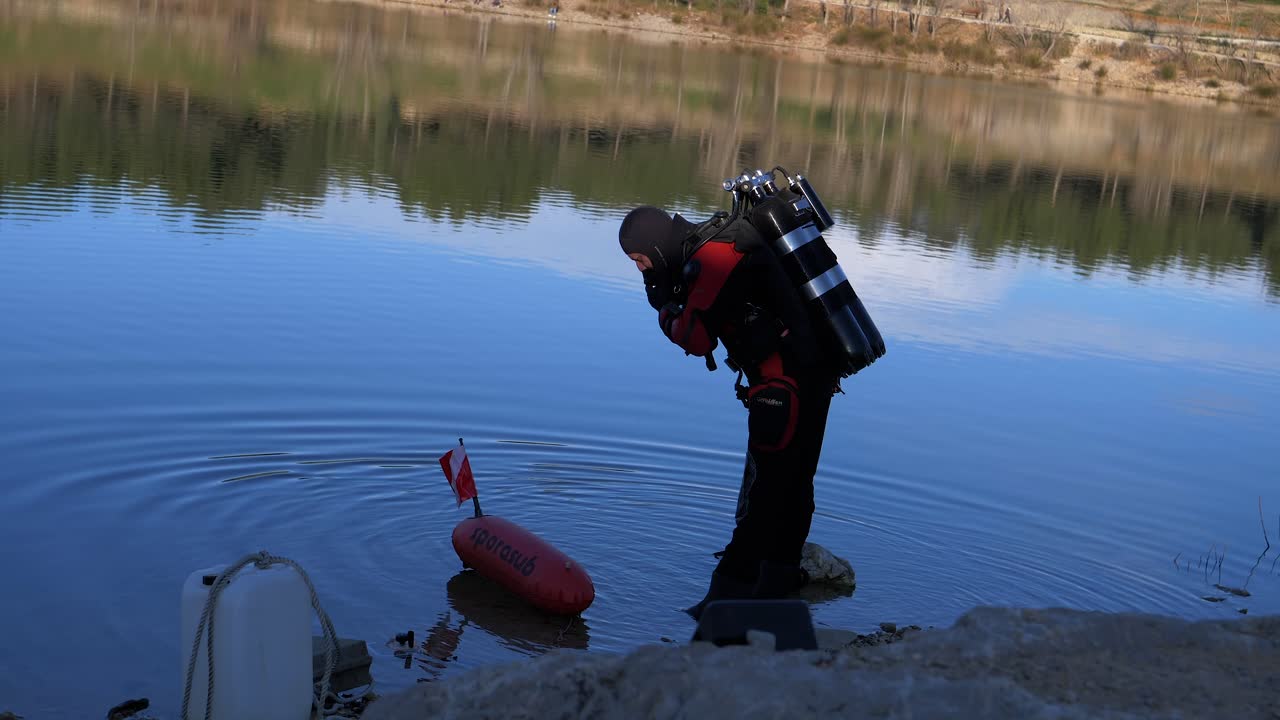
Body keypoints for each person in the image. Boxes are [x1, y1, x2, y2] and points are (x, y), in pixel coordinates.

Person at [618, 205, 843, 620]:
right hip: (812, 376)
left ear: (653, 245)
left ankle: (723, 603)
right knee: (793, 486)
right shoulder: (719, 245)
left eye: (640, 259)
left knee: (766, 495)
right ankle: (777, 593)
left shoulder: (715, 256)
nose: (641, 269)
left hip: (783, 385)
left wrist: (665, 311)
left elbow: (697, 337)